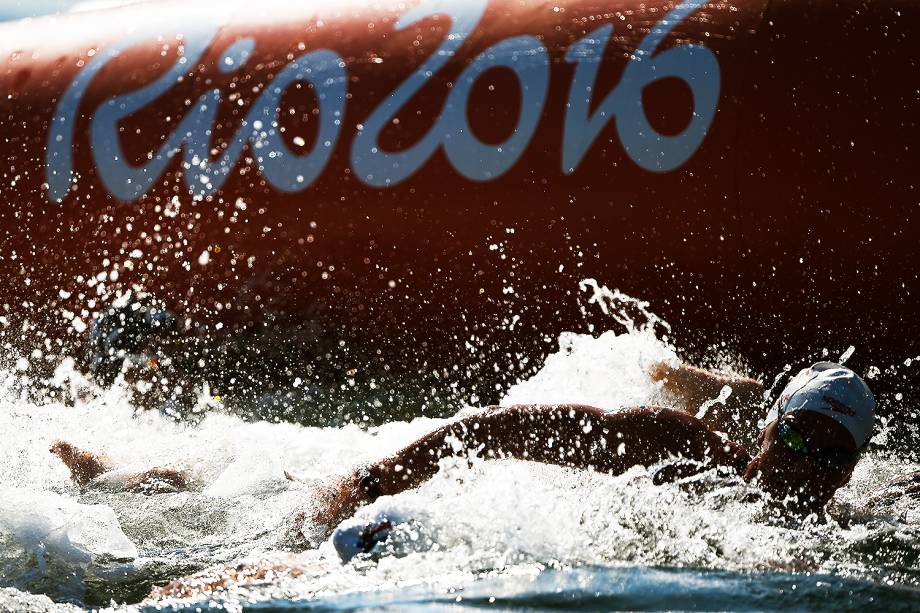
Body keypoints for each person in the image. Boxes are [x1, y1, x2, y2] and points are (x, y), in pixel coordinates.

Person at [309, 361, 878, 535]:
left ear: (851, 472)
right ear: (770, 431)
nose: (806, 466)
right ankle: (678, 374)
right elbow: (502, 428)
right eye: (798, 438)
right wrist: (374, 480)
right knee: (676, 384)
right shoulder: (678, 449)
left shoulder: (867, 524)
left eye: (832, 456)